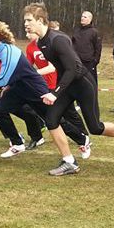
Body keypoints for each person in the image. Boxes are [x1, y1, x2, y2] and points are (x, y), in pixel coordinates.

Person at [23, 3, 114, 176]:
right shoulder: (41, 42)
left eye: (29, 20)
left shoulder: (57, 40)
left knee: (95, 127)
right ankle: (69, 161)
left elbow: (74, 69)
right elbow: (60, 68)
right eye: (25, 21)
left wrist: (55, 93)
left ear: (40, 20)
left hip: (83, 84)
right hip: (67, 85)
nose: (26, 24)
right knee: (51, 120)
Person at [0, 21, 89, 165]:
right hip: (17, 88)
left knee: (52, 120)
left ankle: (82, 139)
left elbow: (1, 79)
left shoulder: (9, 51)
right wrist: (7, 84)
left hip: (34, 89)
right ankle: (17, 144)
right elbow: (9, 75)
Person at [25, 23, 92, 155]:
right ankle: (38, 136)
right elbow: (28, 66)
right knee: (47, 114)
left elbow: (53, 67)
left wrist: (36, 74)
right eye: (26, 32)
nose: (27, 35)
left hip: (58, 83)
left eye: (29, 32)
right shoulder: (30, 47)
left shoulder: (50, 44)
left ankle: (83, 135)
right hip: (42, 86)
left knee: (70, 113)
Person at [71, 10, 102, 82]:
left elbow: (98, 48)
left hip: (89, 63)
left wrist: (95, 61)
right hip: (77, 62)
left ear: (90, 19)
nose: (82, 18)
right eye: (82, 16)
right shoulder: (77, 30)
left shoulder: (94, 32)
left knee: (90, 82)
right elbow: (72, 44)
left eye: (85, 17)